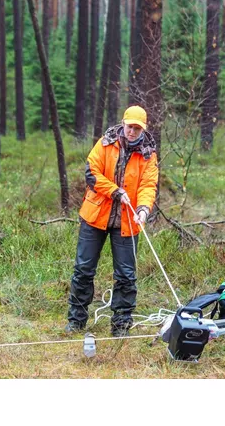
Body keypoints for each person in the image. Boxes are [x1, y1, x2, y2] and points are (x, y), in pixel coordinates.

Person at [66, 105, 159, 337]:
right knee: (83, 270)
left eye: (137, 128)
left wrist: (144, 209)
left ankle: (120, 326)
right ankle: (76, 321)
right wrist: (115, 191)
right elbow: (92, 174)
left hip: (128, 221)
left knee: (126, 276)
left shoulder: (149, 153)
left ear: (143, 129)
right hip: (95, 216)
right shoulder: (105, 143)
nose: (132, 132)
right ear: (123, 123)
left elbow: (148, 185)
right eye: (130, 127)